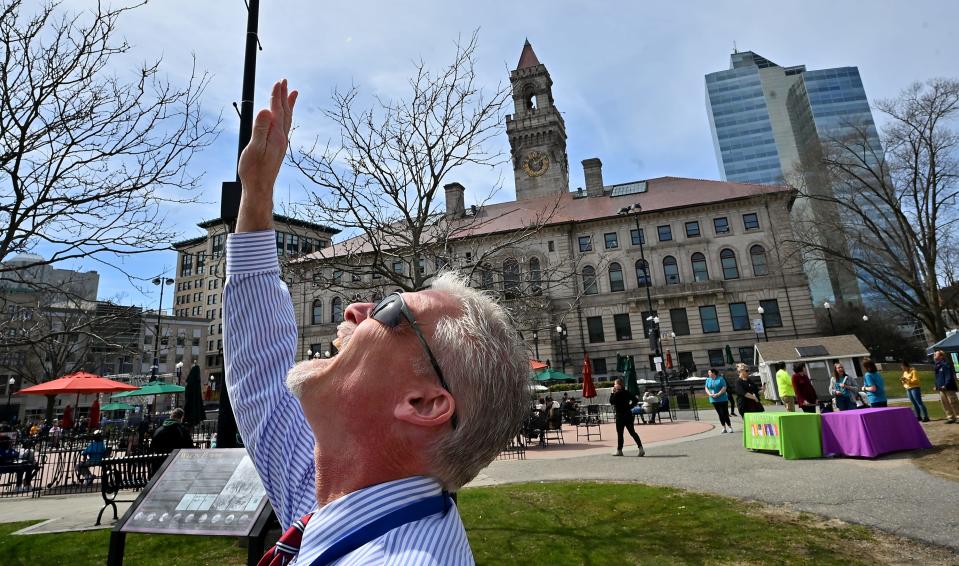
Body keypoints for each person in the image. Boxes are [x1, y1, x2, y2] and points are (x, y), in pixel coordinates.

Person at [224, 80, 528, 565]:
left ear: (425, 403)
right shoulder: (337, 492)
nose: (354, 309)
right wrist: (256, 194)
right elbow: (260, 375)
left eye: (390, 309)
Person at [608, 379, 645, 456]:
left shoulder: (616, 394)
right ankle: (641, 448)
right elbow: (635, 400)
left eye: (615, 384)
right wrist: (630, 407)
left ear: (618, 385)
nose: (614, 386)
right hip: (628, 415)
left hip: (620, 416)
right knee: (632, 432)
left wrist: (612, 393)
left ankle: (619, 450)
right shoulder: (626, 392)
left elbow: (611, 402)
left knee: (620, 434)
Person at [933, 350, 959, 423]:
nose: (934, 356)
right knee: (945, 403)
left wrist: (946, 384)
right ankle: (950, 417)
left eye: (936, 354)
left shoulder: (945, 364)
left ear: (941, 356)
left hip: (948, 387)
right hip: (941, 387)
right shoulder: (937, 365)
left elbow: (949, 376)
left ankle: (958, 416)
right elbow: (937, 377)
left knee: (953, 402)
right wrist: (936, 385)